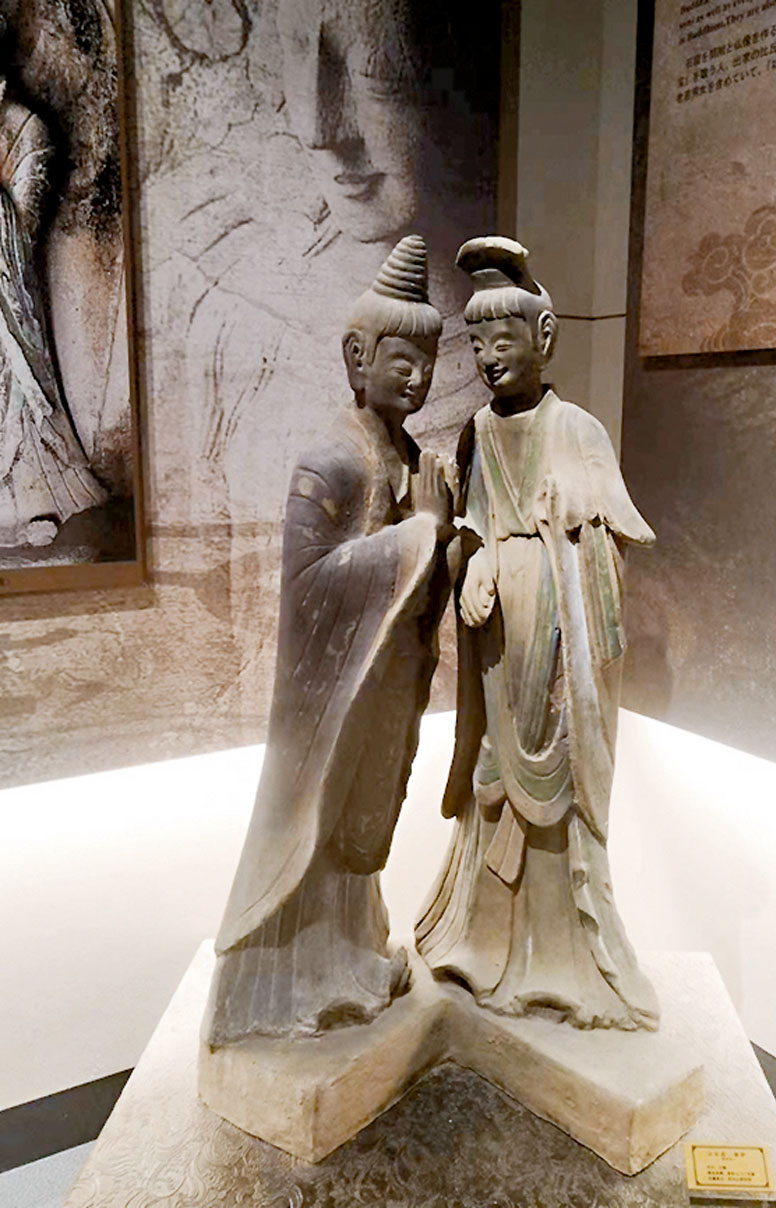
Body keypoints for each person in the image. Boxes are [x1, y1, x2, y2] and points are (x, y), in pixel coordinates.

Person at [204, 235, 454, 1043]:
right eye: (400, 360)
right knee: (319, 820)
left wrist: (450, 547)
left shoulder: (413, 459)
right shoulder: (329, 462)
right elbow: (308, 583)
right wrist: (419, 535)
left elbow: (431, 569)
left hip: (386, 677)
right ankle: (296, 979)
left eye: (427, 362)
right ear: (356, 357)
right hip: (331, 691)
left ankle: (349, 952)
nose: (416, 378)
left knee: (363, 822)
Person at [416, 237, 660, 1031]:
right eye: (476, 344)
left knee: (552, 794)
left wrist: (563, 542)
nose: (488, 359)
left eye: (504, 341)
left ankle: (556, 958)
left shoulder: (578, 431)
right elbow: (467, 522)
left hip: (554, 647)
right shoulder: (475, 433)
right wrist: (474, 559)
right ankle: (483, 940)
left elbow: (609, 551)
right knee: (493, 776)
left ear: (544, 337)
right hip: (496, 642)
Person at [0, 74, 105, 548]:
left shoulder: (27, 129)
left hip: (9, 295)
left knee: (18, 388)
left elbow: (23, 228)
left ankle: (25, 500)